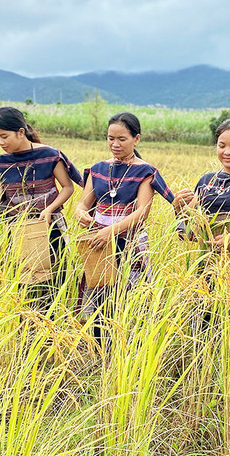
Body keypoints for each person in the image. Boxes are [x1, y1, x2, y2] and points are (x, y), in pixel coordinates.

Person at [73, 112, 175, 338]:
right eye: (110, 138)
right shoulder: (99, 169)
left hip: (128, 243)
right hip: (98, 243)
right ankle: (100, 349)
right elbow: (83, 203)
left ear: (136, 139)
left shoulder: (144, 171)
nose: (115, 144)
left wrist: (110, 231)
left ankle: (128, 350)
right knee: (100, 293)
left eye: (122, 139)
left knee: (129, 296)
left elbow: (141, 213)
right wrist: (80, 213)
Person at [0, 107, 82, 295]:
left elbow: (68, 187)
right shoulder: (0, 164)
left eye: (4, 136)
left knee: (57, 284)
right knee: (23, 288)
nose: (0, 142)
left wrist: (50, 209)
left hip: (50, 228)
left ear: (20, 132)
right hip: (17, 233)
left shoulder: (50, 155)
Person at [174, 117, 230, 246]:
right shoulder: (206, 182)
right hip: (207, 259)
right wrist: (178, 209)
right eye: (221, 146)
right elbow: (188, 234)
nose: (227, 152)